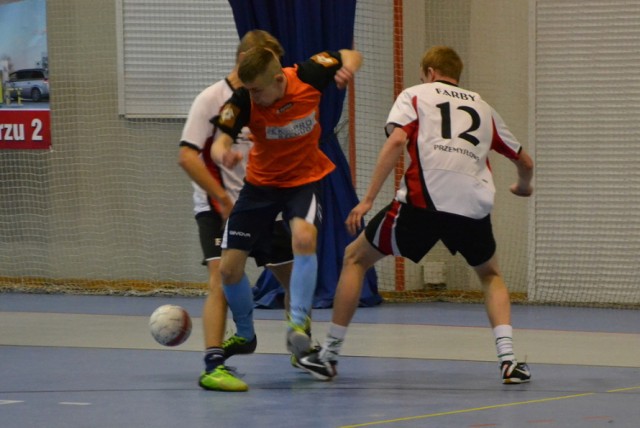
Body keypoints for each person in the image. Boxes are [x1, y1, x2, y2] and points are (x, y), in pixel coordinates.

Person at [299, 46, 534, 385]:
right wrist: (523, 187)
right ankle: (509, 361)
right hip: (472, 205)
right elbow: (525, 162)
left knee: (354, 258)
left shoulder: (415, 95)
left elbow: (396, 141)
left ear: (429, 71)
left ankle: (329, 355)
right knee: (490, 274)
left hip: (424, 201)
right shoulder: (484, 108)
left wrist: (366, 200)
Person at [211, 41, 363, 368]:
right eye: (248, 90)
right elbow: (220, 138)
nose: (253, 97)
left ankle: (298, 326)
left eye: (257, 90)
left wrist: (348, 67)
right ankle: (246, 334)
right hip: (260, 187)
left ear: (279, 80)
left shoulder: (309, 73)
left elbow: (348, 54)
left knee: (304, 238)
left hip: (304, 180)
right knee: (228, 268)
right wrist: (222, 153)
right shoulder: (242, 101)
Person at [178, 30, 294, 392]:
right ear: (245, 59)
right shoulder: (211, 99)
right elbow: (187, 156)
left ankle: (301, 343)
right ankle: (214, 362)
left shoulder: (268, 98)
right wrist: (223, 199)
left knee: (295, 277)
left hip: (262, 202)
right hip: (218, 205)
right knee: (221, 278)